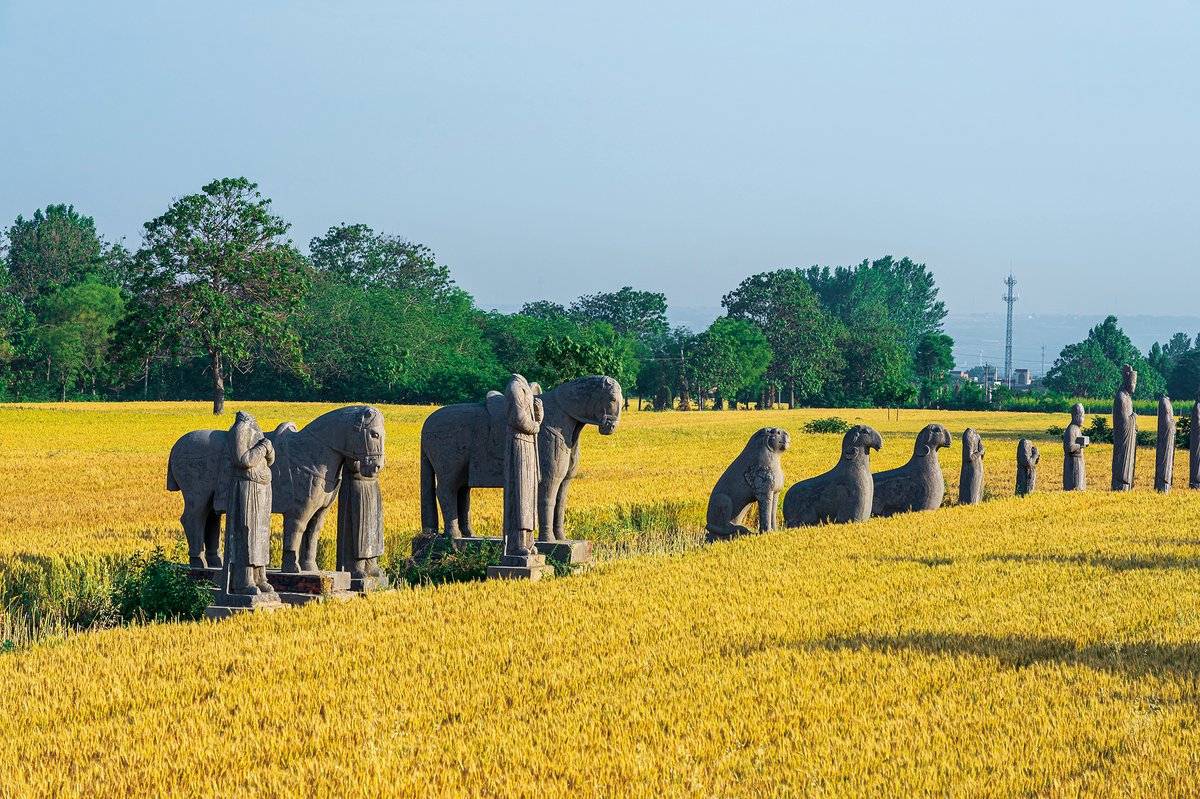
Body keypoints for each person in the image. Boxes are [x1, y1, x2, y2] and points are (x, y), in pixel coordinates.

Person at [224, 411, 276, 596]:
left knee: (261, 533)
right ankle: (244, 579)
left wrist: (268, 450)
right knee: (247, 531)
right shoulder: (241, 428)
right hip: (247, 486)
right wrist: (263, 447)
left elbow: (271, 460)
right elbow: (242, 460)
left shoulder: (255, 429)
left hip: (262, 486)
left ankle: (260, 576)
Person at [502, 374, 542, 560]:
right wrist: (536, 426)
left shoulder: (524, 387)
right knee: (521, 493)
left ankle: (528, 541)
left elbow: (528, 416)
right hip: (519, 442)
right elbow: (518, 419)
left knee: (530, 494)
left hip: (529, 443)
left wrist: (538, 416)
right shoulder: (515, 388)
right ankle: (517, 544)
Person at [1063, 403, 1089, 491]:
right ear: (1076, 416)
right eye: (1082, 417)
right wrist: (1080, 445)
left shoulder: (1077, 429)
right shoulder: (1072, 429)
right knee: (1075, 485)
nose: (1083, 419)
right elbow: (1069, 447)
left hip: (1079, 461)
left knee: (1080, 484)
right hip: (1073, 462)